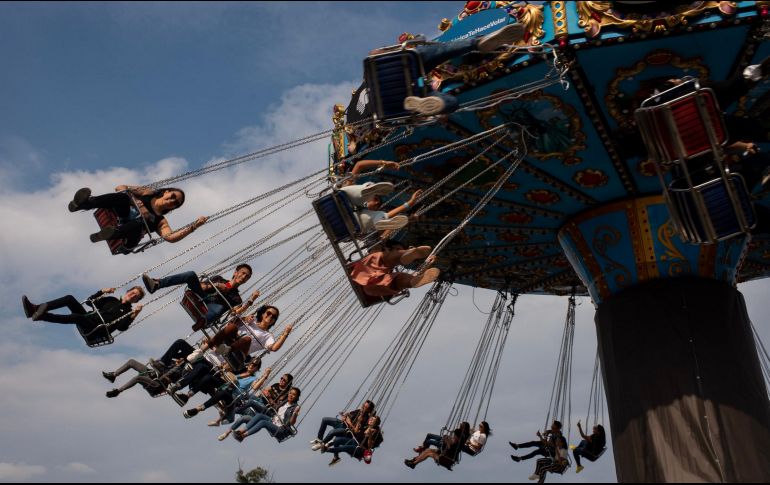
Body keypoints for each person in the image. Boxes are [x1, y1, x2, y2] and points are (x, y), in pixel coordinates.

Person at [366, 23, 526, 117]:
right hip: (407, 70)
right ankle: (477, 43)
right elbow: (373, 54)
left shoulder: (376, 104)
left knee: (451, 103)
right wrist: (395, 49)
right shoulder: (374, 69)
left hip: (406, 99)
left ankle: (433, 105)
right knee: (441, 50)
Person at [68, 185, 207, 250]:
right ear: (166, 192)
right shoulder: (148, 193)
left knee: (140, 223)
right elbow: (120, 187)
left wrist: (194, 227)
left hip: (130, 237)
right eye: (173, 196)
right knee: (123, 197)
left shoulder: (160, 221)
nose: (172, 201)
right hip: (122, 216)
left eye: (176, 203)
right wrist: (139, 204)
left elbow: (170, 237)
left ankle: (110, 234)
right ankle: (84, 204)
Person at [142, 264, 259, 327]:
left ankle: (203, 321)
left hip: (211, 309)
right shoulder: (219, 279)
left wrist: (251, 301)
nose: (244, 277)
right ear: (236, 272)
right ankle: (157, 284)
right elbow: (202, 287)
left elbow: (235, 312)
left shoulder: (237, 298)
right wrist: (216, 285)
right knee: (191, 274)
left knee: (220, 308)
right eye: (243, 273)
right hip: (201, 297)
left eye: (247, 277)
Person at [22, 287, 144, 337]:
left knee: (77, 317)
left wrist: (135, 314)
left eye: (136, 296)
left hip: (97, 329)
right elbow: (90, 302)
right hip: (89, 318)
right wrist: (102, 292)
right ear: (128, 291)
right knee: (69, 299)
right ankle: (35, 309)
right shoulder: (112, 299)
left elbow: (122, 327)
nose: (133, 295)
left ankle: (43, 317)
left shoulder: (128, 311)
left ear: (136, 300)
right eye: (133, 292)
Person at [188, 306, 292, 363]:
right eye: (268, 313)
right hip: (228, 343)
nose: (270, 316)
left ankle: (228, 349)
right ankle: (201, 351)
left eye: (273, 317)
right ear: (263, 314)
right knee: (232, 327)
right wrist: (244, 319)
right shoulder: (252, 320)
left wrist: (285, 334)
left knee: (247, 339)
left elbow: (273, 348)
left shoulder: (268, 336)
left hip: (239, 352)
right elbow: (232, 322)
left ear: (274, 321)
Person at [350, 240, 440, 298]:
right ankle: (407, 254)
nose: (398, 250)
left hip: (374, 287)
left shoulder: (388, 271)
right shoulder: (378, 250)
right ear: (387, 247)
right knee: (389, 258)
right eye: (397, 249)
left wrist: (427, 264)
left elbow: (416, 276)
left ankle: (411, 281)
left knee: (400, 278)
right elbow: (381, 237)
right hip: (368, 270)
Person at [215, 373, 294, 439]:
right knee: (245, 395)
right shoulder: (276, 385)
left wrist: (269, 398)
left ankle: (229, 412)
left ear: (288, 383)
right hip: (260, 400)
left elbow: (277, 407)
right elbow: (265, 390)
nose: (281, 380)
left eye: (284, 380)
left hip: (266, 409)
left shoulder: (285, 394)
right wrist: (266, 394)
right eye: (281, 378)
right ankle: (226, 432)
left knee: (250, 403)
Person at [232, 387, 301, 442]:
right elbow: (276, 408)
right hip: (274, 421)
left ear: (297, 397)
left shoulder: (295, 407)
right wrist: (269, 398)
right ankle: (240, 432)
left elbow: (291, 423)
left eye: (293, 394)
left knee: (263, 422)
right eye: (290, 393)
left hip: (280, 429)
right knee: (259, 415)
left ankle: (243, 436)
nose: (291, 395)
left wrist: (295, 413)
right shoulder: (285, 402)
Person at [404, 422, 471, 469]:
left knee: (429, 453)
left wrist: (447, 440)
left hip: (446, 459)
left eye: (454, 436)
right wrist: (446, 439)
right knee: (428, 450)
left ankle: (414, 463)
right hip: (444, 456)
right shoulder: (457, 442)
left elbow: (449, 446)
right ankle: (414, 461)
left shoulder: (457, 443)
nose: (453, 437)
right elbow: (449, 445)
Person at [312, 400, 376, 449]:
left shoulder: (365, 420)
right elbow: (349, 414)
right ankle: (319, 439)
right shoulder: (358, 411)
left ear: (368, 410)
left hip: (348, 431)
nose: (362, 407)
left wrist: (349, 422)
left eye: (365, 407)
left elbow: (356, 432)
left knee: (332, 432)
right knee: (325, 419)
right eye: (363, 405)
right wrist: (344, 415)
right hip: (343, 424)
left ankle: (322, 444)